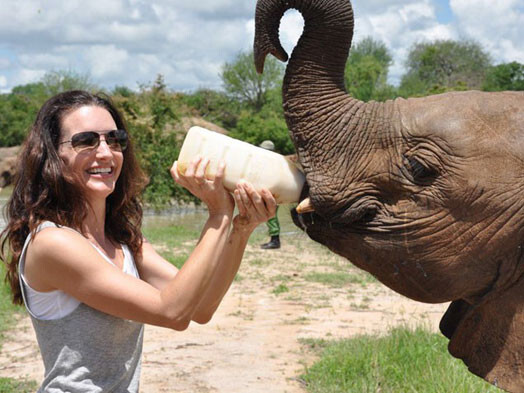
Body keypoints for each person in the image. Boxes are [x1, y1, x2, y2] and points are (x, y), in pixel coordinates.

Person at [0, 90, 276, 392]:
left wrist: (240, 229)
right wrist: (219, 214)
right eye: (86, 141)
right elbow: (172, 312)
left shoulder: (121, 240)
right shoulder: (52, 243)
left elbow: (201, 307)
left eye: (114, 139)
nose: (106, 152)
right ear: (53, 155)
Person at [259, 140, 281, 250]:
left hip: (273, 194)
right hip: (272, 193)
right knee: (270, 217)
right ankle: (274, 240)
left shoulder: (272, 162)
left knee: (272, 217)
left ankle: (275, 241)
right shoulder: (276, 161)